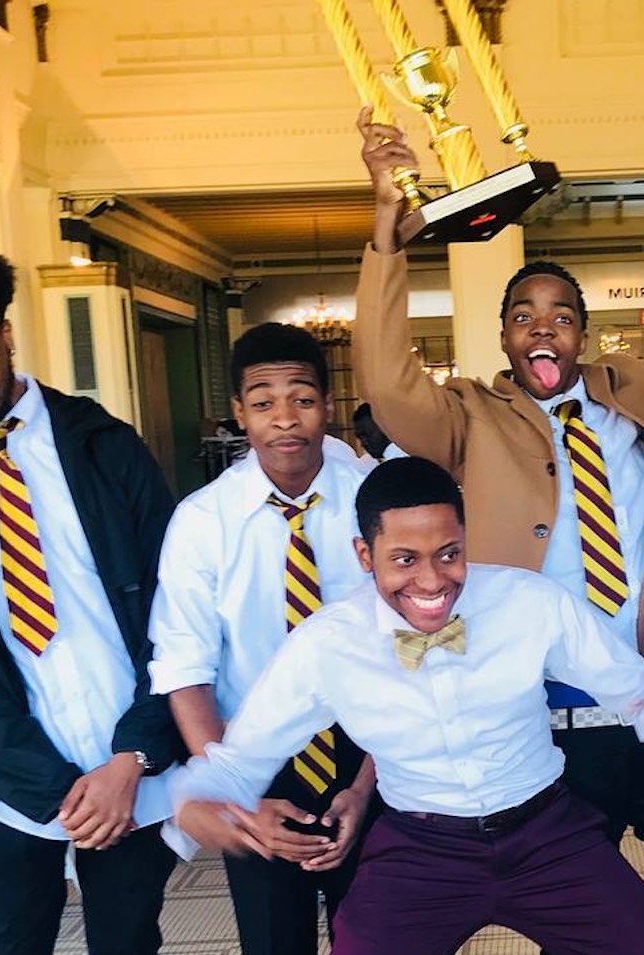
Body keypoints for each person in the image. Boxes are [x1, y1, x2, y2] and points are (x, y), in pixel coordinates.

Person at [351, 71, 644, 954]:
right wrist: (389, 233)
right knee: (584, 926)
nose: (544, 328)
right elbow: (386, 385)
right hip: (548, 727)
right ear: (504, 336)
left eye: (562, 315)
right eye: (524, 315)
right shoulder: (463, 419)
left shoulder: (640, 390)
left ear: (583, 333)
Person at [170, 456, 644, 955]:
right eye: (405, 559)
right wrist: (200, 805)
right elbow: (236, 763)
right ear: (364, 555)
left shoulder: (530, 602)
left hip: (548, 835)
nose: (432, 580)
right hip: (420, 850)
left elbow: (631, 690)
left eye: (449, 554)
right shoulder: (325, 645)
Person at [0, 236, 183, 955]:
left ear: (6, 333)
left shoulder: (103, 444)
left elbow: (175, 608)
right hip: (10, 768)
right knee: (4, 938)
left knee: (127, 940)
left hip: (127, 758)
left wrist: (135, 755)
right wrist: (53, 785)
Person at [149, 322, 377, 955]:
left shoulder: (371, 501)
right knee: (274, 940)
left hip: (375, 752)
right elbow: (184, 667)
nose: (285, 419)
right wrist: (237, 795)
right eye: (263, 402)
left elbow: (415, 638)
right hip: (256, 762)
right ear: (238, 414)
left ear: (327, 405)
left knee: (386, 934)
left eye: (302, 399)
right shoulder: (202, 521)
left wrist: (367, 784)